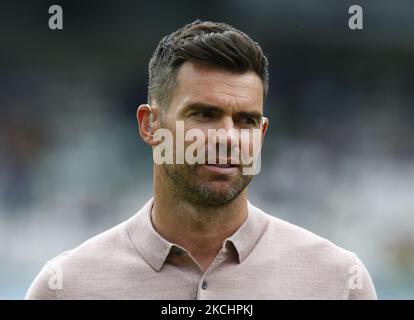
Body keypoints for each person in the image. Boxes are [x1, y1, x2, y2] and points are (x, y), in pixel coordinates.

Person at [25, 20, 377, 299]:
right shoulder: (66, 288)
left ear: (262, 135)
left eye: (246, 121)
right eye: (204, 114)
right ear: (150, 126)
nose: (228, 137)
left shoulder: (338, 283)